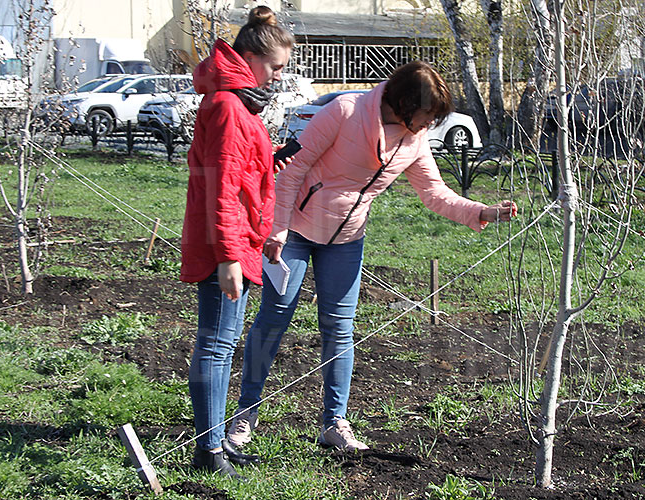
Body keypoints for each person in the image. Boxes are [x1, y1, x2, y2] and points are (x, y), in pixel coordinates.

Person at [227, 61, 518, 451]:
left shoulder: (414, 140)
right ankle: (245, 413)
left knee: (339, 329)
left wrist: (480, 211)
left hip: (346, 239)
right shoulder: (344, 112)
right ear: (402, 103)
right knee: (274, 319)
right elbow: (292, 172)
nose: (429, 124)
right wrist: (277, 228)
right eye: (427, 114)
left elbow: (435, 194)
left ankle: (334, 423)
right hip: (294, 231)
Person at [181, 6, 294, 477]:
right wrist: (229, 255)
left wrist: (269, 159)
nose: (278, 78)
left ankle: (215, 444)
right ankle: (208, 450)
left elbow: (240, 168)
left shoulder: (236, 102)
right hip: (223, 246)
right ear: (249, 57)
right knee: (216, 345)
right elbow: (221, 184)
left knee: (221, 344)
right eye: (275, 67)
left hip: (238, 240)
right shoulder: (228, 106)